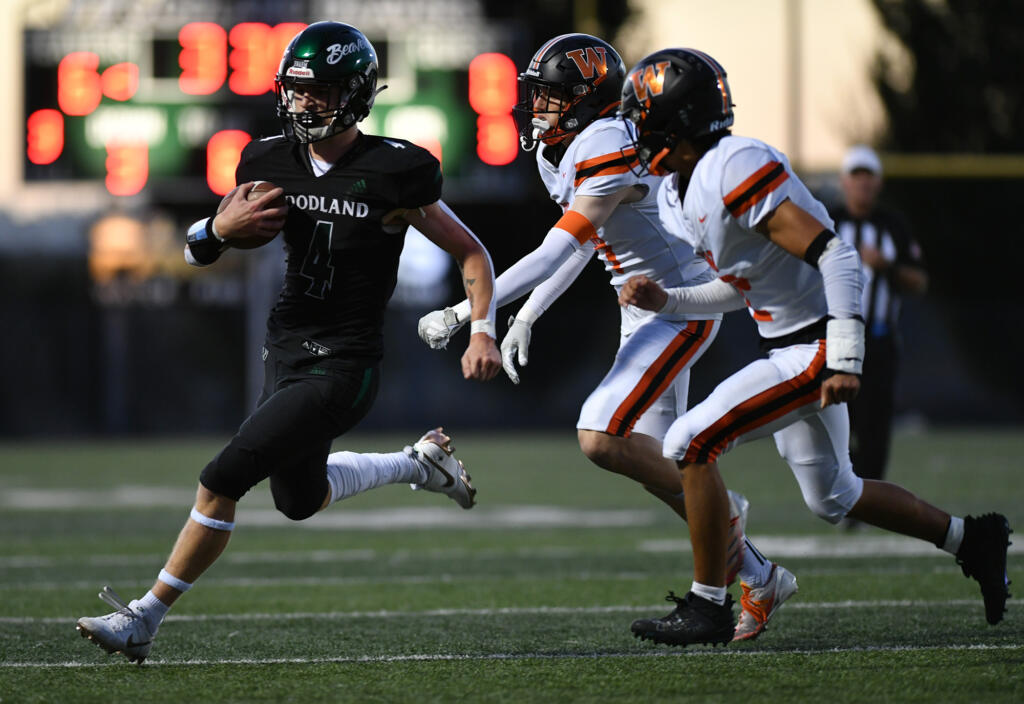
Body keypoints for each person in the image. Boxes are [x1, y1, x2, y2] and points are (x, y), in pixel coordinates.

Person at [75, 21, 501, 664]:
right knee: (298, 500)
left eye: (322, 92)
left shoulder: (396, 170)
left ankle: (143, 618)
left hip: (346, 364)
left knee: (222, 477)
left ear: (356, 94)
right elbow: (199, 247)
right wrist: (216, 228)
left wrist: (483, 330)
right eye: (298, 90)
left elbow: (472, 252)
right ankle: (418, 464)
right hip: (285, 348)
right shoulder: (266, 159)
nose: (306, 104)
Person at [616, 48, 1011, 647]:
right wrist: (667, 300)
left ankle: (708, 604)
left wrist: (847, 356)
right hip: (786, 340)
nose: (637, 128)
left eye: (644, 115)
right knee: (835, 495)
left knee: (689, 442)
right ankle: (970, 539)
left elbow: (837, 254)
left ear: (676, 121)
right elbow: (742, 284)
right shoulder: (679, 193)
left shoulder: (733, 166)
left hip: (818, 341)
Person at [418, 34, 797, 642]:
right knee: (658, 461)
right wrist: (528, 315)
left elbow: (553, 249)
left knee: (601, 435)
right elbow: (582, 243)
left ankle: (721, 514)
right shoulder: (565, 149)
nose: (535, 105)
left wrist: (470, 312)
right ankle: (759, 575)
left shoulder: (605, 142)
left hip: (679, 305)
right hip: (643, 308)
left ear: (583, 98)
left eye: (549, 94)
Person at [832, 146, 927, 487]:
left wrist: (886, 267)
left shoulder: (893, 225)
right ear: (844, 182)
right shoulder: (828, 222)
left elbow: (918, 281)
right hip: (836, 340)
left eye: (868, 176)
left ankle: (869, 498)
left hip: (880, 339)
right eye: (856, 176)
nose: (862, 184)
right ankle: (844, 491)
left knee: (876, 425)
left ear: (879, 183)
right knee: (837, 422)